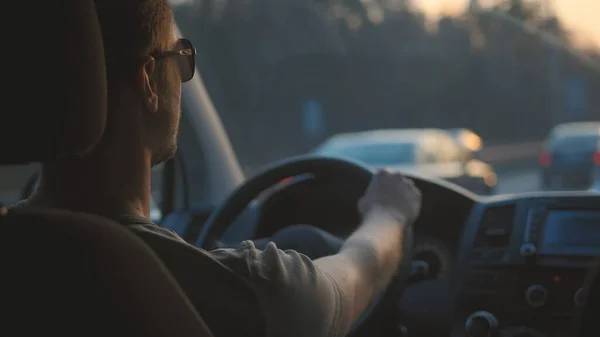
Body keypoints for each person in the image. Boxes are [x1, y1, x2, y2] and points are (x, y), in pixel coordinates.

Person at [17, 1, 422, 336]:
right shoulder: (218, 291)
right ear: (148, 82)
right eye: (181, 57)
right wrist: (388, 214)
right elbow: (349, 282)